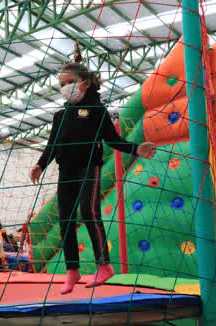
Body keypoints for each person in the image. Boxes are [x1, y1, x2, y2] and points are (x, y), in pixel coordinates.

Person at [29, 42, 156, 294]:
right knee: (65, 218)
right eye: (61, 85)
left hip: (89, 166)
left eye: (68, 82)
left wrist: (135, 148)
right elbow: (52, 144)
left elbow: (112, 140)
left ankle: (104, 265)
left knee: (88, 211)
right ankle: (72, 270)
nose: (64, 88)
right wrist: (40, 165)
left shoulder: (97, 109)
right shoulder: (59, 116)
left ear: (84, 83)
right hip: (66, 169)